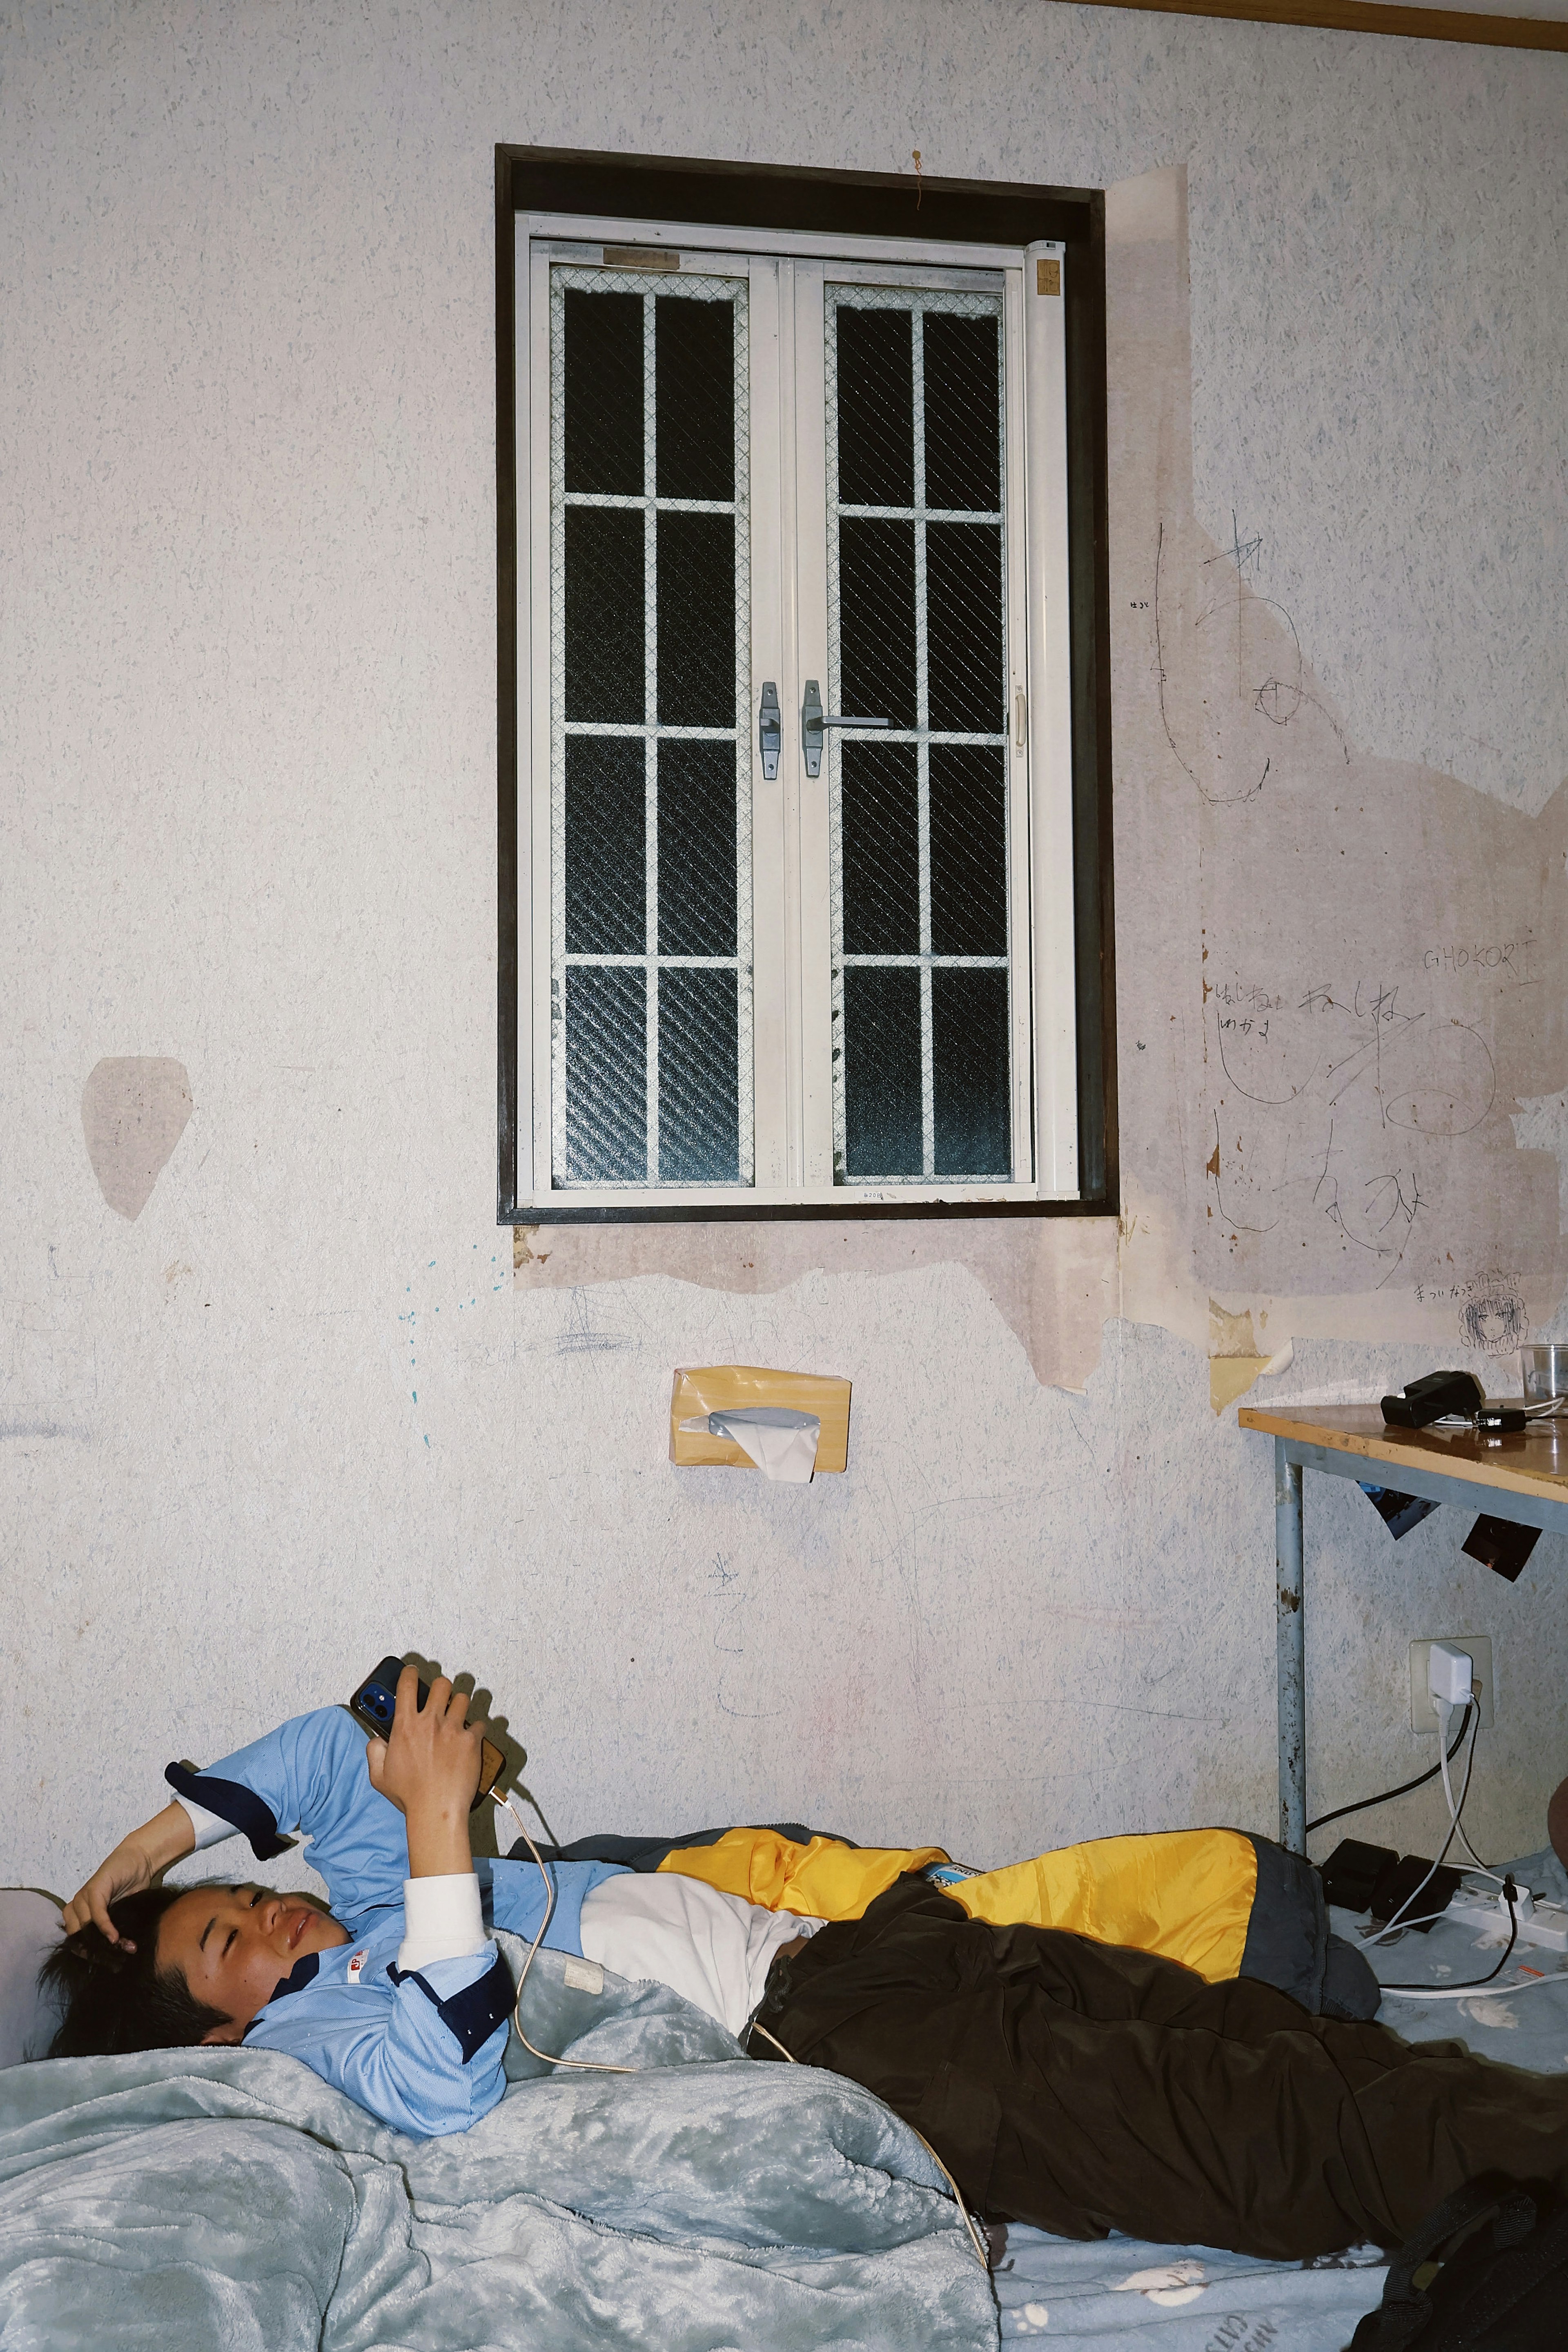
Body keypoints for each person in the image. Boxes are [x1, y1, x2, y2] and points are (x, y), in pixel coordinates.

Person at [46, 1674, 1568, 2261]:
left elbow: (333, 1745)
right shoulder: (333, 2046)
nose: (271, 1920)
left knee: (1275, 2047)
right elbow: (444, 2086)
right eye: (229, 1948)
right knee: (1265, 2136)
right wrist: (441, 1823)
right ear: (226, 2041)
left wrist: (149, 1848)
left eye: (241, 1901)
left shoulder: (377, 1902)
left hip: (872, 1949)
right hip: (847, 2058)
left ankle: (1511, 2144)